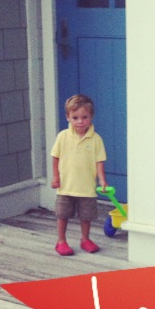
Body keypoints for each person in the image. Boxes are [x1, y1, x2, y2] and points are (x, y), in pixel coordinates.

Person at [51, 94, 107, 256]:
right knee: (62, 214)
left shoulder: (96, 139)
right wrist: (56, 177)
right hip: (66, 186)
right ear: (68, 117)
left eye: (84, 117)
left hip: (86, 187)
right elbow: (55, 158)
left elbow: (99, 161)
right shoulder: (63, 136)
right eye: (75, 118)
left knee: (86, 216)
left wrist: (102, 180)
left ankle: (85, 239)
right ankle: (61, 241)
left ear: (91, 117)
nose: (80, 121)